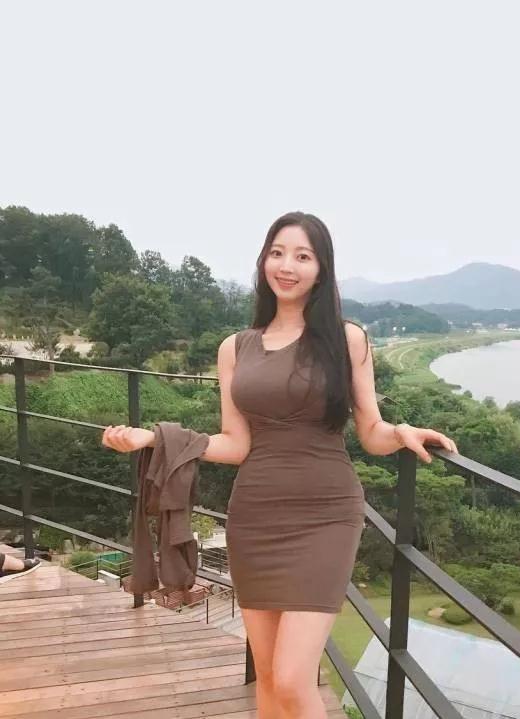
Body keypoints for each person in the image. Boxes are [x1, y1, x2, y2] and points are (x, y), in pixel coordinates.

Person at [101, 211, 458, 719]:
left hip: (326, 514)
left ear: (321, 268)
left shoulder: (346, 339)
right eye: (277, 253)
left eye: (302, 256)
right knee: (268, 679)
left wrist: (401, 432)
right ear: (263, 260)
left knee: (292, 679)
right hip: (256, 514)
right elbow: (235, 443)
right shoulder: (235, 349)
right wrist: (154, 439)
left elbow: (370, 432)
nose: (287, 266)